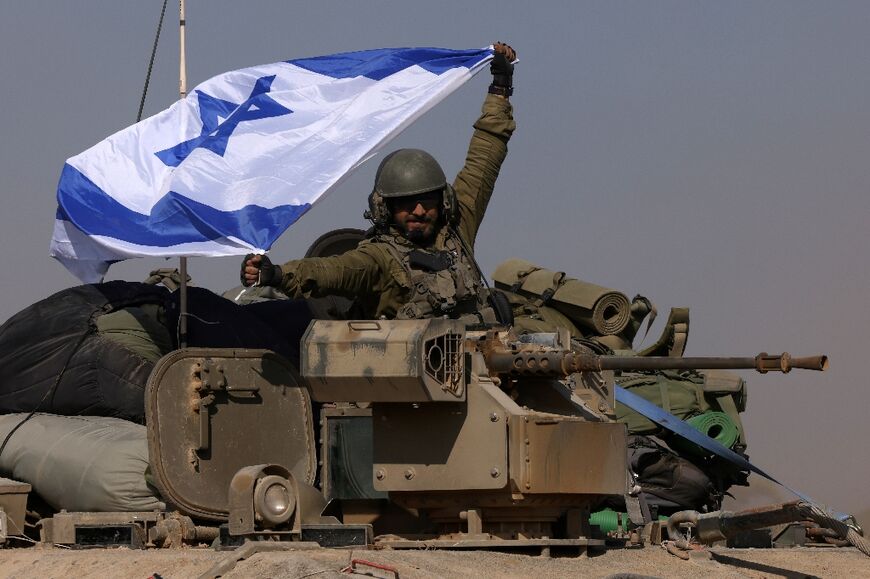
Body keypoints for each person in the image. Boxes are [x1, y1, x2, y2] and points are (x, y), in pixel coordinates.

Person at [241, 42, 517, 323]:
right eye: (406, 204)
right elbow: (333, 271)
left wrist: (500, 89)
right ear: (385, 209)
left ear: (444, 201)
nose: (419, 211)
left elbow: (485, 155)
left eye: (426, 201)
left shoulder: (459, 227)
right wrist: (275, 274)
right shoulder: (379, 258)